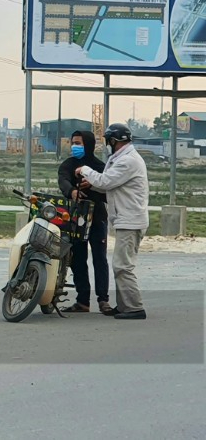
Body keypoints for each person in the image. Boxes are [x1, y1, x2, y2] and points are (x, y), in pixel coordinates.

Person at [75, 123, 148, 320]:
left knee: (123, 266)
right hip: (126, 219)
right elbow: (108, 184)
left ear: (113, 141)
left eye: (108, 141)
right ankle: (124, 306)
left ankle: (134, 308)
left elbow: (105, 182)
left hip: (130, 220)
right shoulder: (121, 158)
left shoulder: (128, 161)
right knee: (121, 265)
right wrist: (93, 182)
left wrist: (85, 171)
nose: (108, 144)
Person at [57, 129, 111, 314]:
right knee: (78, 259)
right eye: (73, 142)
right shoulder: (68, 164)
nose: (75, 146)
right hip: (75, 218)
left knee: (99, 259)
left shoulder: (100, 166)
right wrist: (72, 191)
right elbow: (62, 180)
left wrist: (94, 185)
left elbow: (108, 191)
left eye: (79, 143)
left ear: (88, 145)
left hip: (97, 218)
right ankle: (82, 302)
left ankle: (103, 300)